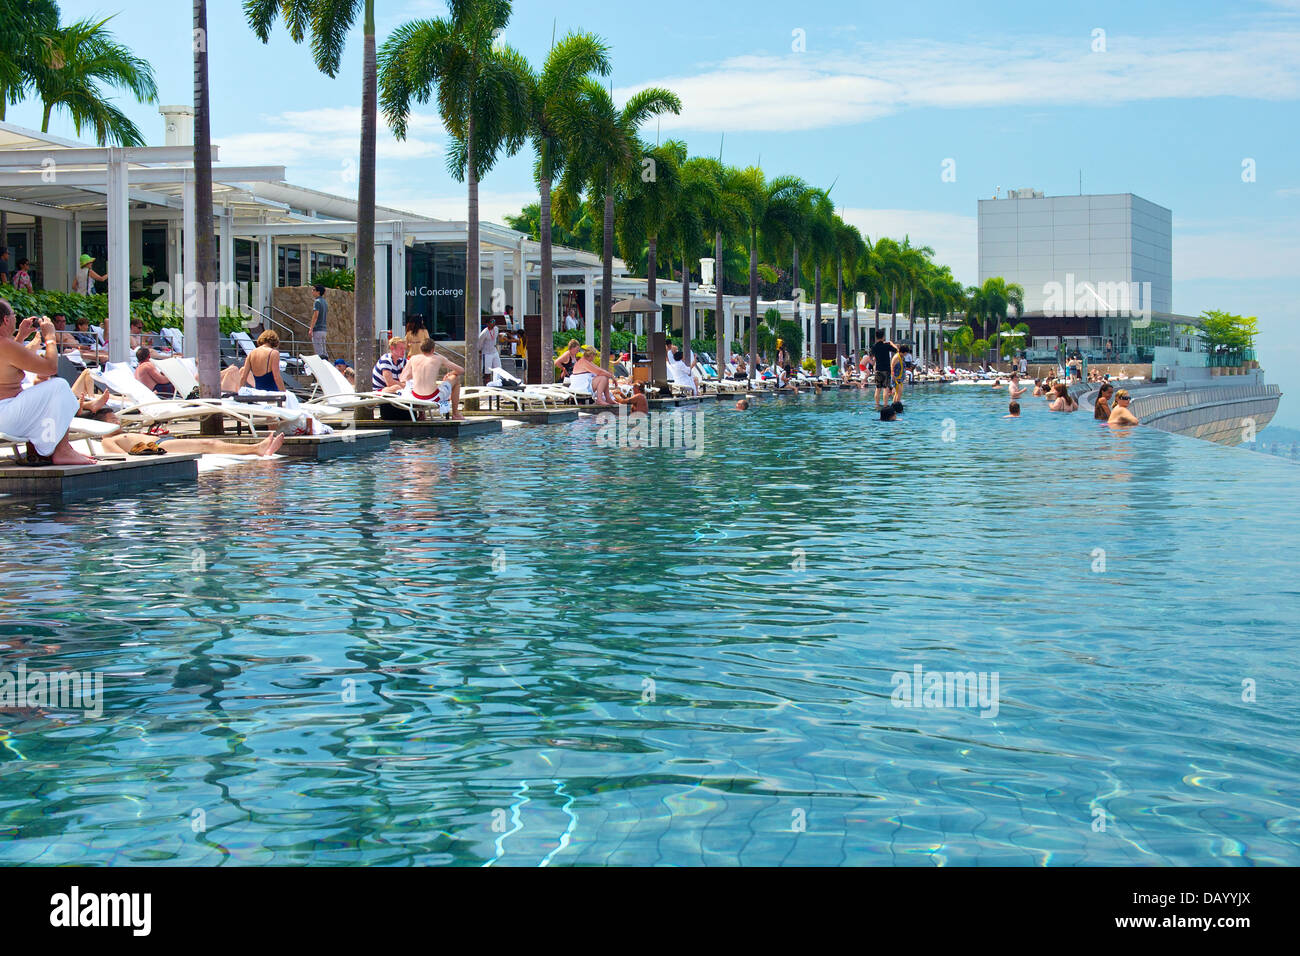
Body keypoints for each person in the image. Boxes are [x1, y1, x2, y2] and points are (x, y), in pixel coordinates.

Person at [0, 300, 95, 465]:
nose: (16, 319)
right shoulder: (5, 345)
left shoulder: (6, 346)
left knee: (47, 389)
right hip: (6, 417)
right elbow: (50, 368)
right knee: (58, 386)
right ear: (7, 320)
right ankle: (62, 450)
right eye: (14, 315)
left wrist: (21, 336)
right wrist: (51, 337)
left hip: (7, 414)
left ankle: (56, 449)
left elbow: (9, 361)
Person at [400, 338, 465, 421]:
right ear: (433, 349)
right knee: (456, 379)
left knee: (413, 386)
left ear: (421, 349)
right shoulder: (439, 358)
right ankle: (455, 413)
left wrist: (416, 375)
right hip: (433, 397)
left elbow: (403, 377)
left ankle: (421, 414)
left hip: (416, 397)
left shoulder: (413, 358)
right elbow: (461, 370)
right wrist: (451, 374)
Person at [103, 431, 286, 459]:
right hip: (156, 444)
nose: (116, 421)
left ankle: (259, 448)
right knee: (208, 443)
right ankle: (256, 448)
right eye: (111, 419)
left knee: (210, 444)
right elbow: (122, 457)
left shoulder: (125, 433)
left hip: (164, 440)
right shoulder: (108, 438)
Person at [870, 330, 897, 408]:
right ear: (883, 337)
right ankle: (885, 405)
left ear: (876, 337)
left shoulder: (874, 347)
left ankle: (877, 405)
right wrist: (891, 343)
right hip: (886, 369)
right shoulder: (886, 346)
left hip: (878, 369)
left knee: (878, 389)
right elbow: (897, 350)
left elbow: (871, 356)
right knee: (886, 388)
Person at [310, 284, 329, 358]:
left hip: (317, 329)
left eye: (314, 290)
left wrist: (311, 328)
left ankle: (321, 367)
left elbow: (315, 315)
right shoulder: (324, 302)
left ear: (318, 292)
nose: (312, 291)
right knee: (324, 351)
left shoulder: (317, 302)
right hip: (324, 330)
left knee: (319, 352)